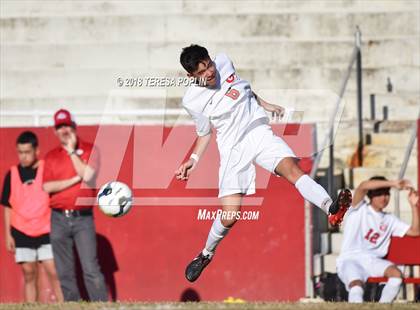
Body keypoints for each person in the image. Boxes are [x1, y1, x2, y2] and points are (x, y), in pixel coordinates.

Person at [175, 44, 352, 282]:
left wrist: (266, 105)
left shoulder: (225, 61)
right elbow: (205, 132)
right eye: (201, 72)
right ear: (191, 76)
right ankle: (205, 254)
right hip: (232, 149)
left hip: (258, 133)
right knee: (230, 215)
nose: (209, 73)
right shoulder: (192, 100)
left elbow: (242, 90)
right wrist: (193, 160)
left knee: (292, 168)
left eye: (208, 65)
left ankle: (330, 207)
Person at [42, 109, 107, 301]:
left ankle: (100, 305)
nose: (64, 130)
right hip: (58, 217)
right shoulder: (51, 156)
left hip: (83, 218)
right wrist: (73, 179)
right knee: (64, 271)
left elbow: (87, 175)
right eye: (60, 127)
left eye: (67, 126)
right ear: (55, 131)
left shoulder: (90, 149)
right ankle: (72, 305)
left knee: (90, 268)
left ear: (74, 126)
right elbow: (47, 186)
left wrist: (71, 151)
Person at [336, 176, 420, 303]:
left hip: (373, 261)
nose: (384, 197)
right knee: (356, 284)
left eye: (386, 193)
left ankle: (382, 306)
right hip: (350, 259)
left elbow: (415, 231)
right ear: (370, 196)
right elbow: (363, 185)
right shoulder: (357, 208)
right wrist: (393, 183)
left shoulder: (390, 219)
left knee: (396, 274)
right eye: (379, 194)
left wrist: (414, 206)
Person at [1, 131, 63, 302]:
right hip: (21, 232)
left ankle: (64, 306)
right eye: (20, 152)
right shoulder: (11, 174)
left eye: (27, 152)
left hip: (46, 230)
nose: (24, 156)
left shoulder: (47, 169)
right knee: (29, 274)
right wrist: (8, 235)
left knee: (54, 272)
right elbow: (7, 206)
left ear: (37, 151)